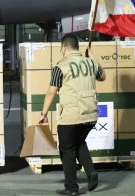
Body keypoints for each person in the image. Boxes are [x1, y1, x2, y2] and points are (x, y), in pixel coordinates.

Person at [38, 33, 106, 195]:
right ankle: (91, 172)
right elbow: (103, 76)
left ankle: (72, 188)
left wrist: (43, 113)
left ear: (64, 48)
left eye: (61, 48)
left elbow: (51, 92)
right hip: (91, 114)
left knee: (67, 150)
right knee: (79, 142)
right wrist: (93, 56)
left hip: (71, 115)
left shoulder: (60, 67)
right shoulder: (90, 63)